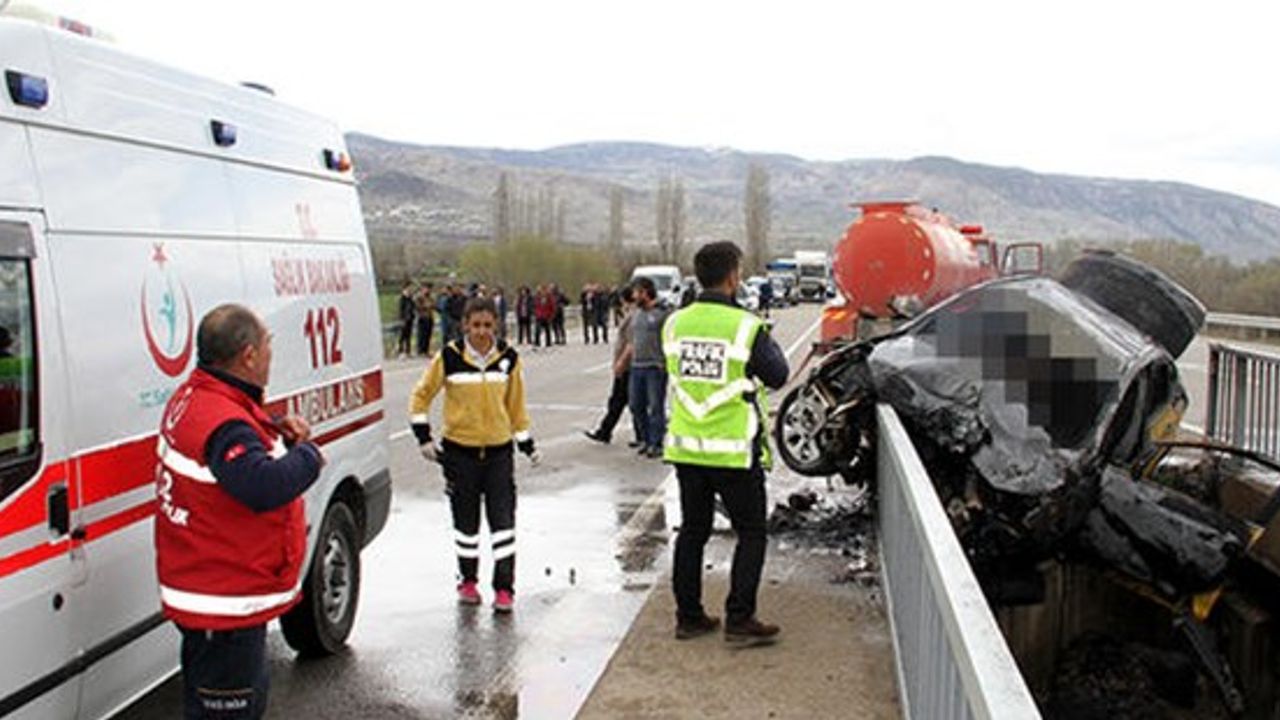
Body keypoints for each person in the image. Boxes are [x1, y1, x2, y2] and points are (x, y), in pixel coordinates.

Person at [154, 304, 324, 719]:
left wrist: (272, 429)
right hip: (223, 603)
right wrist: (308, 455)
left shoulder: (198, 395)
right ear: (248, 355)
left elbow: (232, 451)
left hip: (208, 592)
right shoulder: (223, 421)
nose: (270, 353)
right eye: (268, 345)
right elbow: (262, 486)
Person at [662, 241, 789, 645]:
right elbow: (778, 375)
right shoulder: (746, 326)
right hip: (733, 450)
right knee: (751, 532)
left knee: (693, 532)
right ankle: (739, 618)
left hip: (687, 448)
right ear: (733, 276)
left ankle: (689, 616)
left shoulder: (675, 323)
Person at [409, 297, 540, 613]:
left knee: (503, 523)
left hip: (498, 454)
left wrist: (526, 443)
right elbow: (421, 395)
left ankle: (504, 588)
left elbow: (515, 405)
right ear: (465, 325)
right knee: (466, 524)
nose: (481, 332)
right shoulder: (449, 357)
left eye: (487, 325)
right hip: (460, 454)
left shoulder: (508, 358)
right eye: (476, 325)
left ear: (495, 324)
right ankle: (468, 581)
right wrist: (423, 436)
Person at [583, 285, 641, 447]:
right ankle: (606, 431)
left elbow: (631, 343)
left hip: (628, 367)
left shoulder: (633, 317)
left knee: (625, 402)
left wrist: (621, 363)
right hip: (626, 366)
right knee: (620, 401)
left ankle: (608, 431)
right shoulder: (631, 315)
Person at [627, 277, 670, 459]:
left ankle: (656, 442)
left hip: (655, 366)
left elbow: (670, 337)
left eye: (637, 292)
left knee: (655, 406)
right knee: (636, 405)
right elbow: (632, 340)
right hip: (637, 366)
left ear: (646, 292)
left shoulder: (662, 314)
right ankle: (644, 439)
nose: (634, 296)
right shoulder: (636, 314)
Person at [415, 283, 435, 357]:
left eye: (429, 289)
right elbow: (417, 306)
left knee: (428, 335)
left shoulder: (430, 297)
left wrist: (430, 305)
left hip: (429, 317)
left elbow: (433, 305)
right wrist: (426, 306)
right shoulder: (419, 297)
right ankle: (420, 351)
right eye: (426, 288)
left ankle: (426, 350)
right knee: (421, 335)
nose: (428, 290)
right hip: (422, 318)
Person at [397, 281, 416, 358]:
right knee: (402, 336)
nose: (410, 289)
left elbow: (413, 307)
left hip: (410, 319)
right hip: (404, 319)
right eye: (409, 288)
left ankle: (408, 351)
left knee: (408, 336)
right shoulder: (402, 298)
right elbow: (401, 310)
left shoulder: (410, 298)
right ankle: (400, 351)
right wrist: (402, 319)